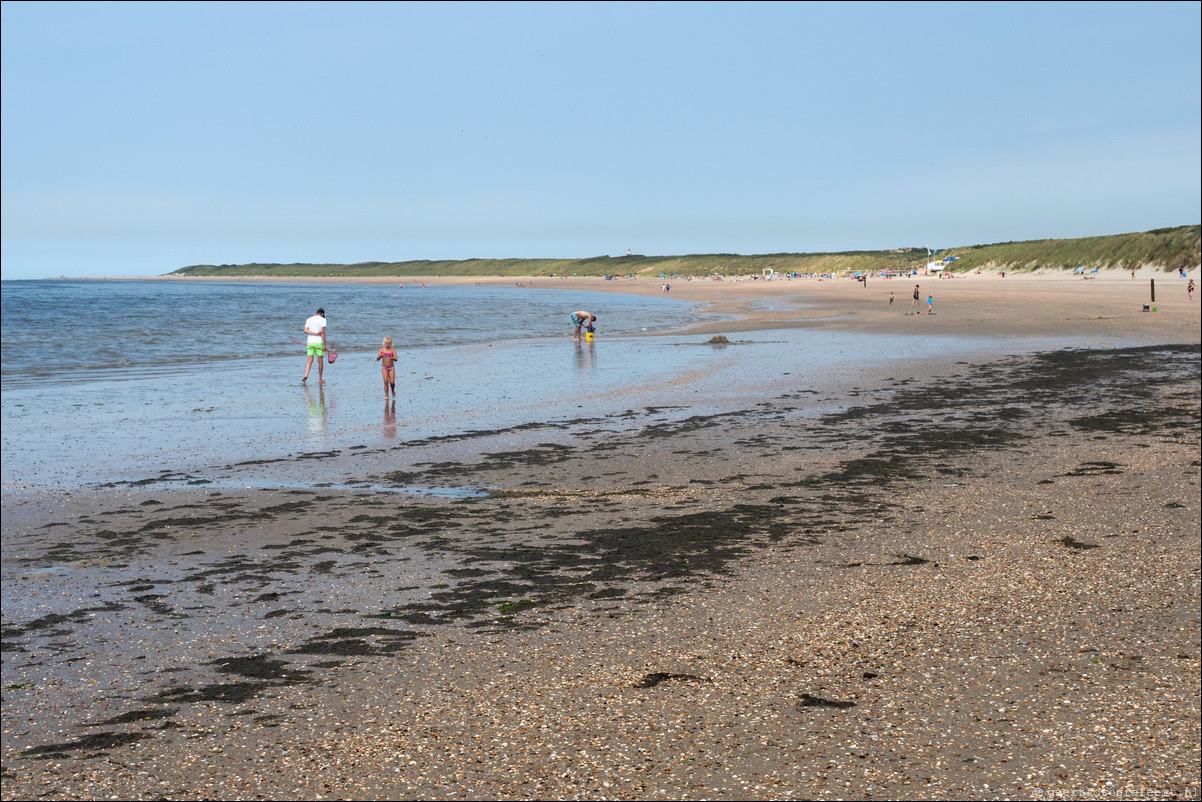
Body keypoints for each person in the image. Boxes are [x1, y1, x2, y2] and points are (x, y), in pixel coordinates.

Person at [302, 308, 327, 384]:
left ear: (317, 313)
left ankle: (306, 374)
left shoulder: (309, 319)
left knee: (310, 359)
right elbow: (322, 332)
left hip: (310, 342)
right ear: (322, 314)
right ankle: (320, 379)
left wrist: (314, 333)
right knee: (320, 361)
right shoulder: (323, 320)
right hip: (318, 342)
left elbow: (305, 330)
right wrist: (324, 345)